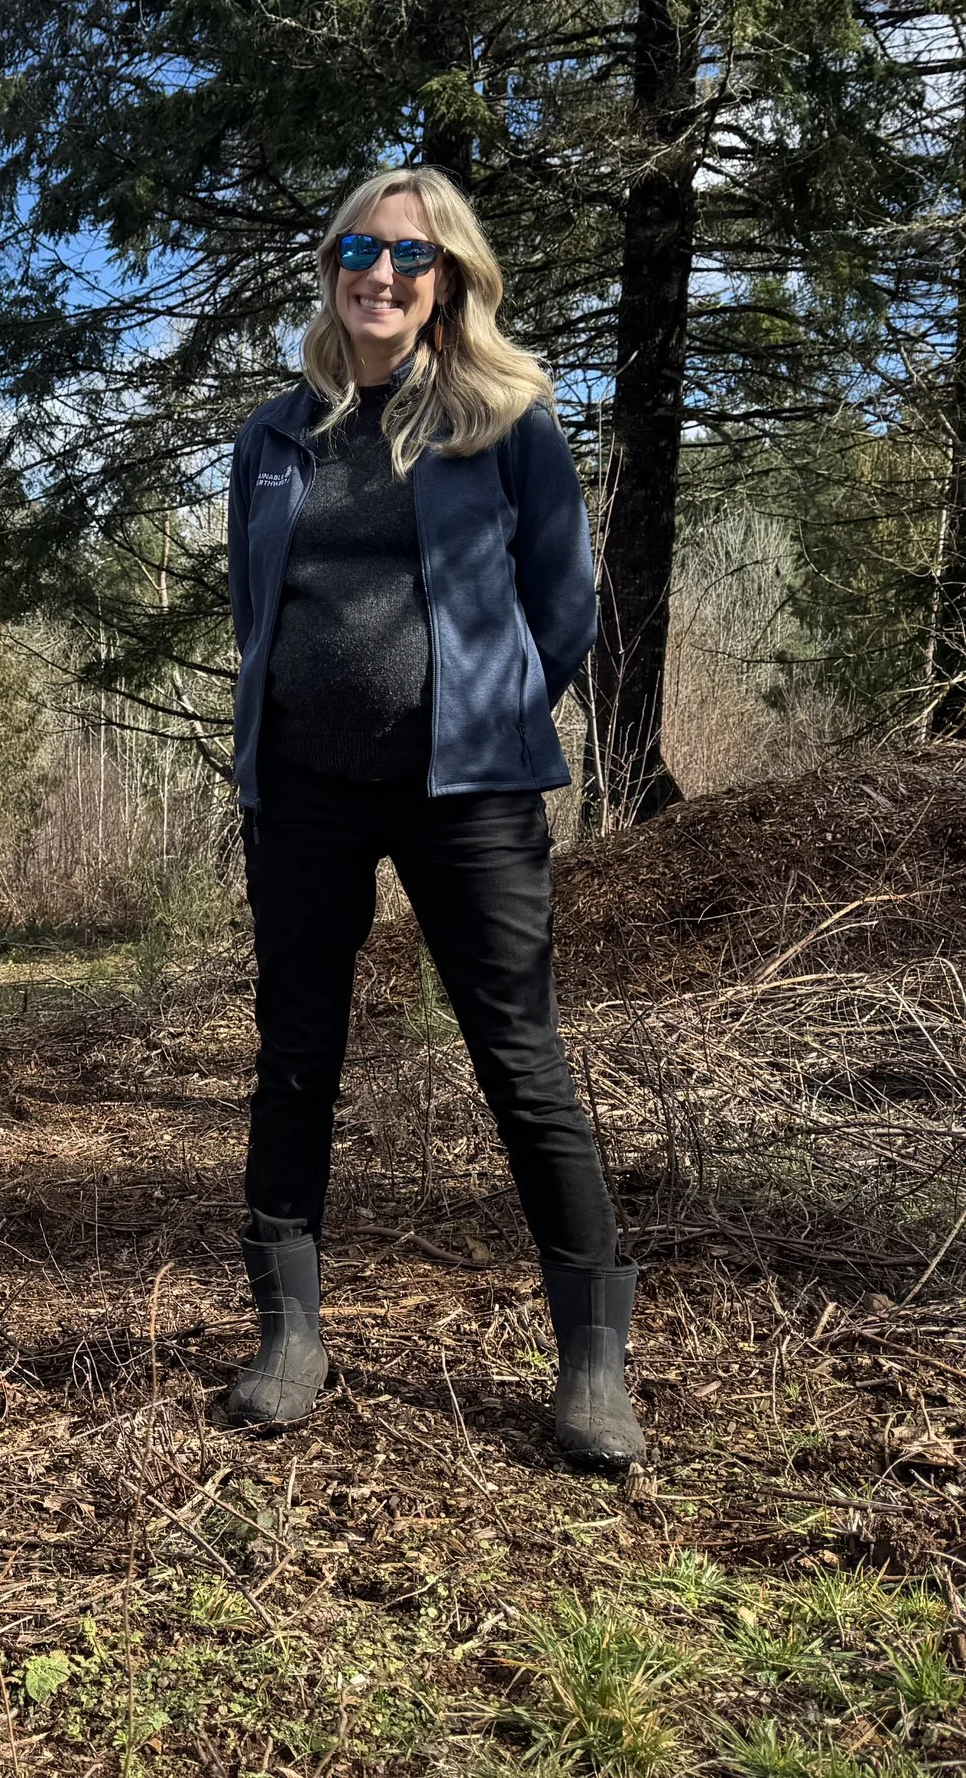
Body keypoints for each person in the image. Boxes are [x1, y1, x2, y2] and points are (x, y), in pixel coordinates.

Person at [221, 169, 645, 1467]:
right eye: (359, 247)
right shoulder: (276, 439)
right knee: (296, 1050)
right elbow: (260, 608)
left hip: (470, 788)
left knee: (519, 1054)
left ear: (448, 277)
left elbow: (560, 609)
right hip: (303, 788)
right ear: (333, 266)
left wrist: (495, 711)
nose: (382, 273)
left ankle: (592, 1355)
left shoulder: (505, 424)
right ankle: (290, 1331)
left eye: (411, 255)